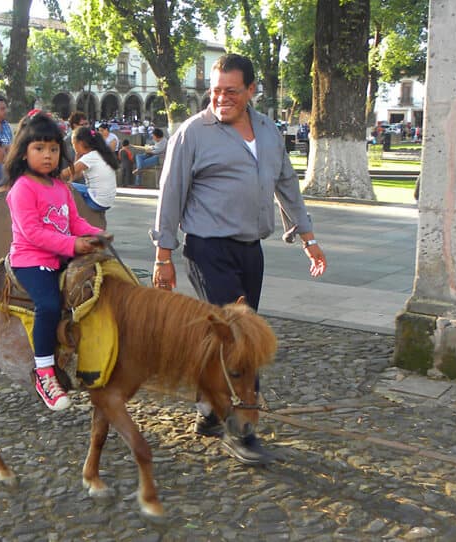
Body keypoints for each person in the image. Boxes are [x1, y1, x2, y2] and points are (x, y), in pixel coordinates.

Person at [150, 53, 327, 465]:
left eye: (231, 91)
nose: (221, 98)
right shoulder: (192, 133)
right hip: (207, 247)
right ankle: (240, 428)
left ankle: (209, 412)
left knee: (223, 337)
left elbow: (287, 185)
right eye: (215, 91)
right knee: (241, 337)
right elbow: (170, 194)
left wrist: (308, 236)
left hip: (251, 249)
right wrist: (163, 256)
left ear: (251, 90)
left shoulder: (267, 130)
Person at [3, 110, 106, 411]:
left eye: (53, 149)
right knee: (48, 305)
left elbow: (74, 221)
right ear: (23, 153)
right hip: (32, 259)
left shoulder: (61, 187)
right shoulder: (22, 188)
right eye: (39, 148)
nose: (47, 155)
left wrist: (97, 234)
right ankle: (44, 371)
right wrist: (74, 244)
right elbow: (32, 233)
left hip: (61, 254)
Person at [59, 125, 118, 212]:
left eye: (73, 144)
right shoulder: (100, 154)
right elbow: (77, 174)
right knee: (69, 185)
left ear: (80, 143)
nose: (73, 147)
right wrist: (77, 156)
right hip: (107, 201)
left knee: (61, 187)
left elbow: (66, 173)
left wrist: (49, 177)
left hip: (96, 201)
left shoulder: (90, 157)